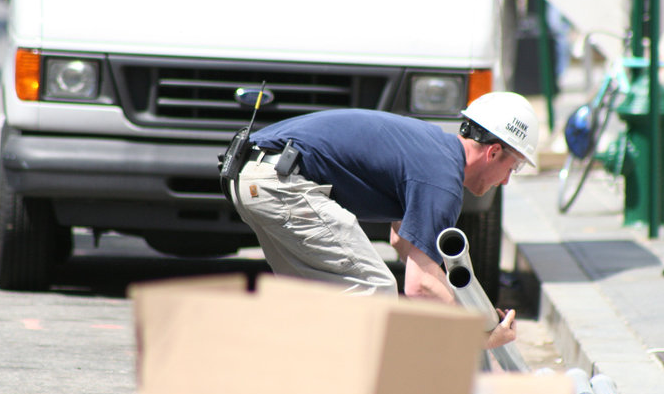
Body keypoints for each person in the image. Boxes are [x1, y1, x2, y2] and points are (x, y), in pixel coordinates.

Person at [229, 91, 539, 349]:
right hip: (278, 180)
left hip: (253, 174)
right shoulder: (442, 179)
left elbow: (402, 241)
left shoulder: (432, 150)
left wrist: (477, 311)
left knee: (320, 302)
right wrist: (479, 333)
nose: (507, 182)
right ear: (494, 151)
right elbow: (420, 287)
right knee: (375, 289)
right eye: (514, 168)